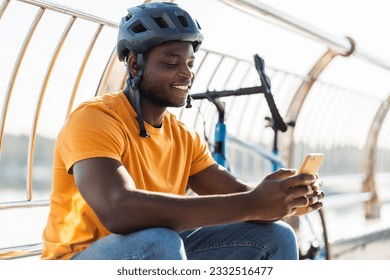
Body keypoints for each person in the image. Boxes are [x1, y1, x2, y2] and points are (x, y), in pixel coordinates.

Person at [41, 2, 324, 260]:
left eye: (190, 64)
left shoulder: (183, 137)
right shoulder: (95, 118)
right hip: (78, 261)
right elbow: (118, 210)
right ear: (134, 63)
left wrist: (286, 198)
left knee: (276, 236)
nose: (187, 73)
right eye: (171, 63)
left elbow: (237, 194)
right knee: (159, 241)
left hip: (155, 253)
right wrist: (252, 203)